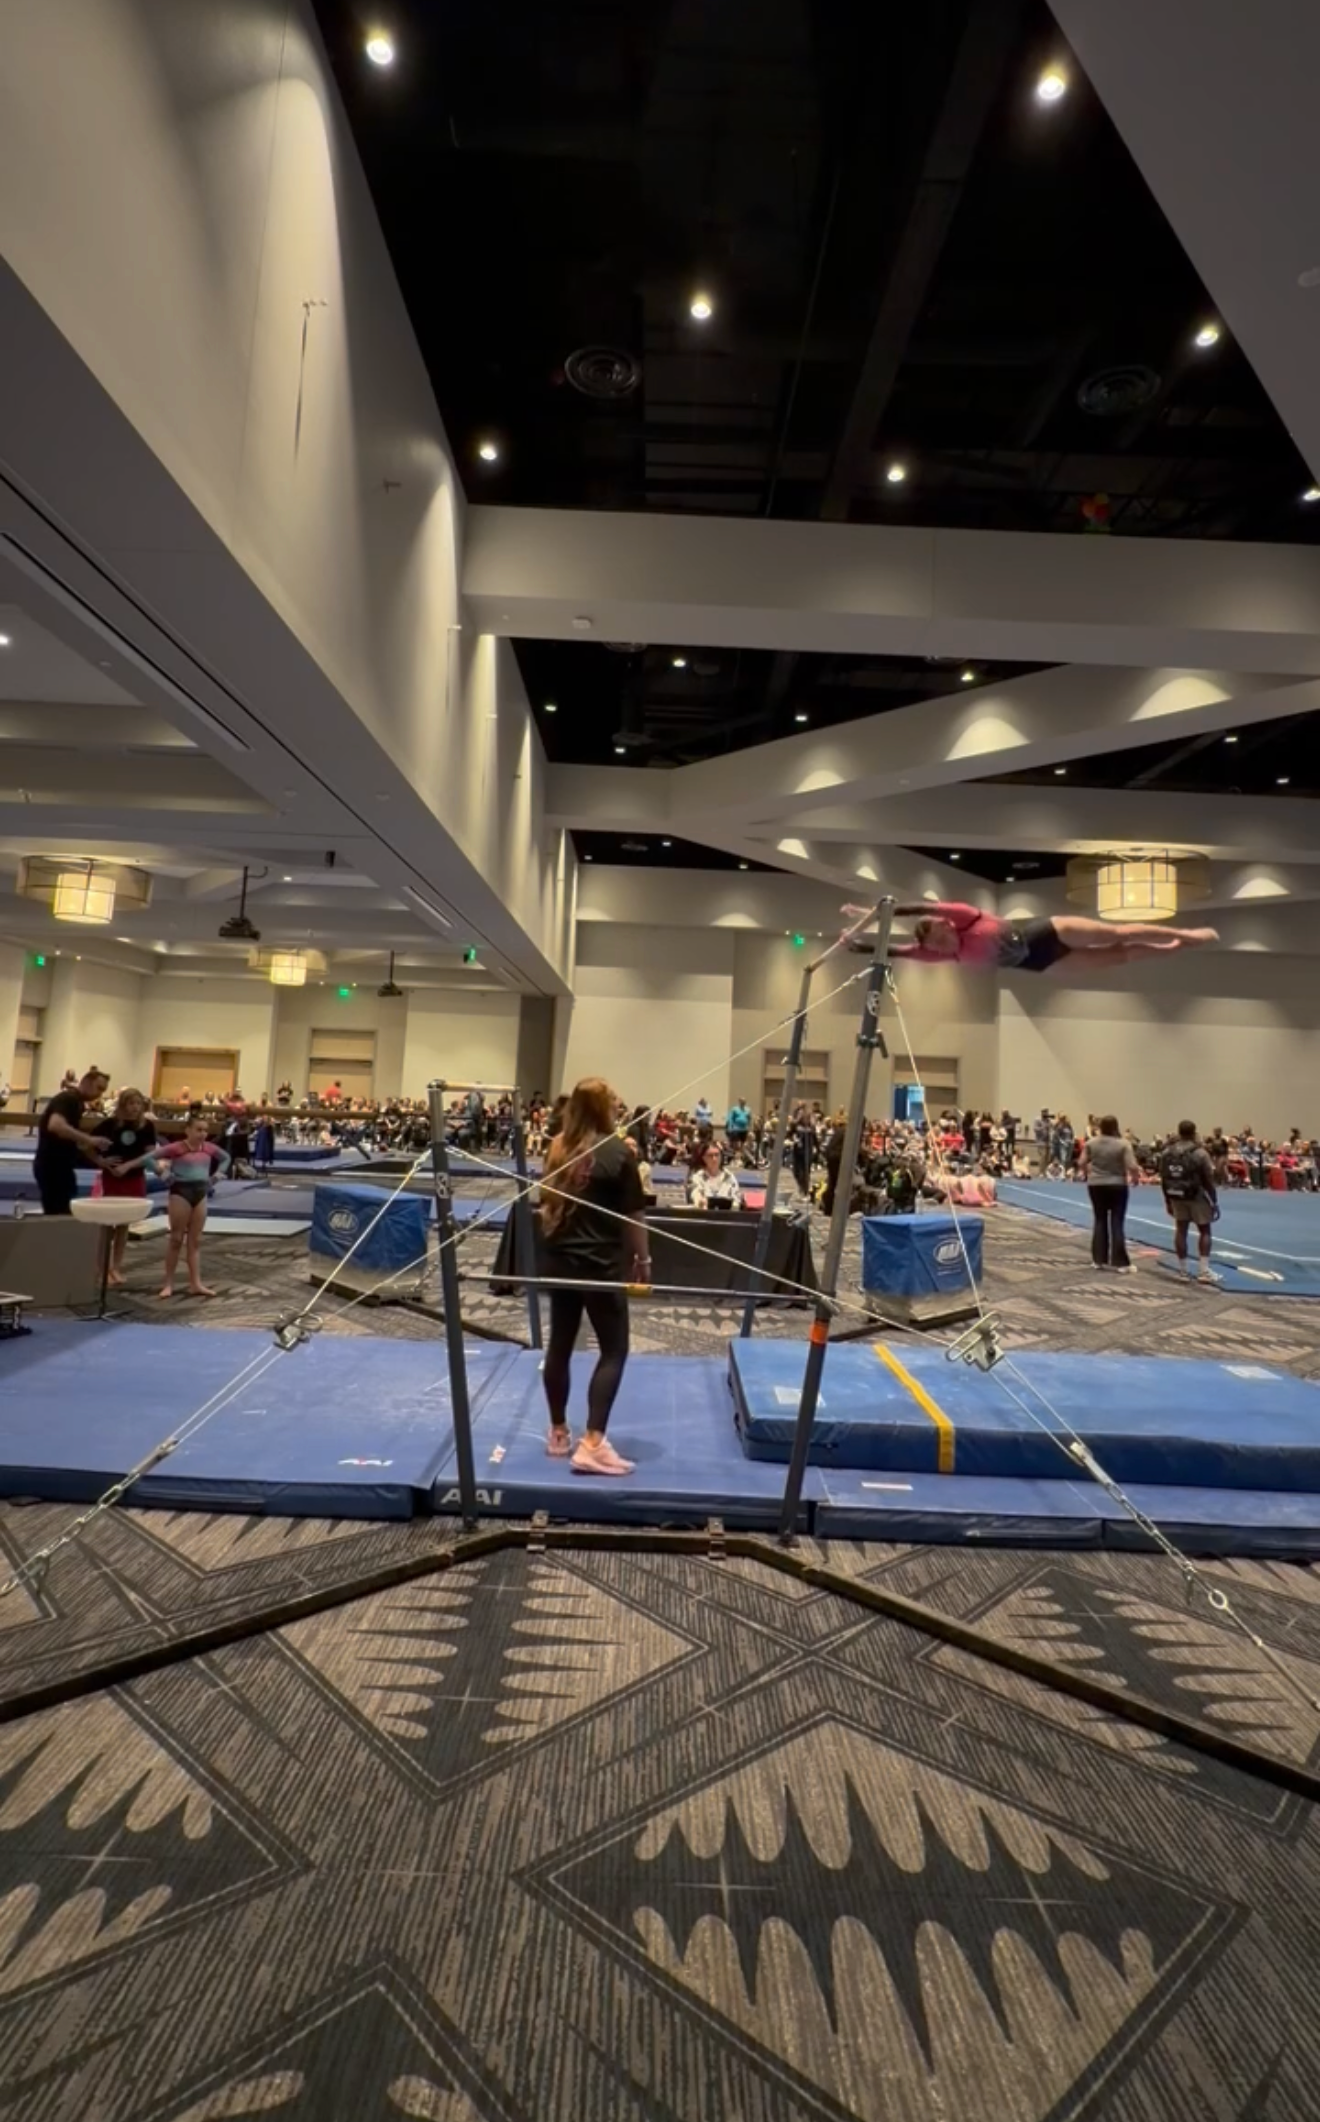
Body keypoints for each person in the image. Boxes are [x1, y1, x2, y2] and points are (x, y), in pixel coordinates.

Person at [539, 1077, 647, 1477]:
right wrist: (644, 1260)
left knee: (560, 1345)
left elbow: (546, 1204)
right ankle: (593, 1443)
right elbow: (634, 1215)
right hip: (599, 1265)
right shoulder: (618, 1152)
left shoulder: (557, 1147)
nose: (619, 1108)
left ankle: (558, 1432)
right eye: (614, 1103)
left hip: (560, 1261)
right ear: (602, 1108)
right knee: (614, 1350)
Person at [842, 900, 1218, 972]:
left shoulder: (966, 917)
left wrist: (877, 911)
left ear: (945, 925)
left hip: (1044, 931)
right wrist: (856, 945)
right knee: (1119, 954)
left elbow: (917, 907)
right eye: (936, 946)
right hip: (1040, 961)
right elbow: (896, 951)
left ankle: (1184, 932)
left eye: (941, 935)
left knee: (1115, 932)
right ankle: (1171, 948)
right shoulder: (942, 957)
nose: (943, 944)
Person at [154, 1115, 229, 1298]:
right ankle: (168, 1284)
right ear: (187, 1130)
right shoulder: (177, 1148)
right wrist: (163, 1174)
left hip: (201, 1193)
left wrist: (217, 1176)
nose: (203, 1134)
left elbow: (226, 1158)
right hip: (180, 1192)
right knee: (176, 1239)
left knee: (195, 1241)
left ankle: (196, 1283)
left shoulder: (209, 1148)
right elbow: (149, 1158)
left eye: (205, 1130)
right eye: (198, 1130)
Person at [90, 1087, 157, 1285]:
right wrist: (101, 1162)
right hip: (112, 1177)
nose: (135, 1108)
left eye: (138, 1104)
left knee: (123, 1224)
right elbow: (85, 1146)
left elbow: (150, 1155)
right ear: (122, 1105)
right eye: (131, 1103)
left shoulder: (147, 1126)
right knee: (106, 1224)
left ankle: (115, 1267)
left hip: (133, 1177)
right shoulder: (109, 1125)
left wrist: (128, 1165)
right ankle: (100, 1267)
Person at [32, 1066, 110, 1215]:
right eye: (99, 1088)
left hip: (59, 1165)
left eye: (103, 1091)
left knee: (62, 1206)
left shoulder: (77, 1103)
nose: (100, 1094)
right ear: (86, 1083)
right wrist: (89, 1139)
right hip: (52, 1165)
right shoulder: (69, 1099)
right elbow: (56, 1125)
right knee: (58, 1210)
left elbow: (73, 1138)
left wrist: (97, 1159)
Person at [1159, 1120, 1220, 1285]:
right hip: (1197, 1195)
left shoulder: (1167, 1152)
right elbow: (1208, 1179)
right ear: (1194, 1132)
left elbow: (1164, 1178)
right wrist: (1214, 1201)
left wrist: (1167, 1200)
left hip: (1176, 1194)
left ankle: (1183, 1270)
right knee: (1205, 1230)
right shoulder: (1200, 1153)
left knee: (1181, 1230)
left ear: (1178, 1132)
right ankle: (1204, 1271)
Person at [1081, 1114, 1139, 1272]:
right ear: (1116, 1127)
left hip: (1096, 1185)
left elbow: (1081, 1162)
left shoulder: (1091, 1143)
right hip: (1117, 1185)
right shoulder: (1123, 1144)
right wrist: (1135, 1178)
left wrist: (1086, 1174)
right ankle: (1121, 1262)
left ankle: (1098, 1260)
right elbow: (1132, 1165)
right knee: (1117, 1221)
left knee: (1099, 1220)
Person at [688, 1141, 743, 1210]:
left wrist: (735, 1205)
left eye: (717, 1155)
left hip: (726, 1217)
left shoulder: (729, 1177)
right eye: (710, 1155)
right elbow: (695, 1194)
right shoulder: (698, 1177)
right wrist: (700, 1201)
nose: (714, 1159)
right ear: (704, 1158)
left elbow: (737, 1199)